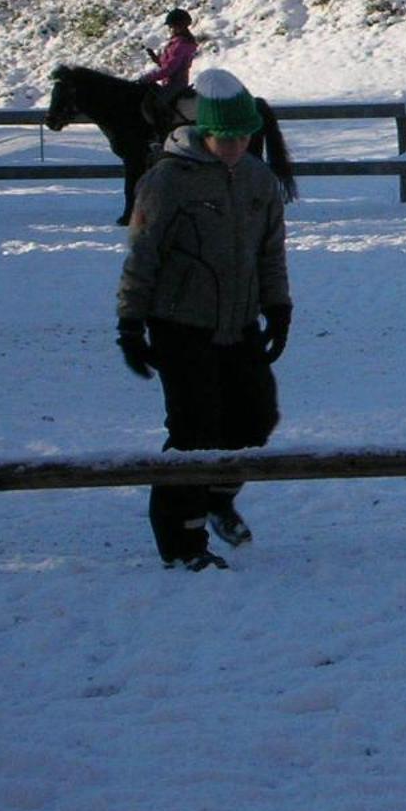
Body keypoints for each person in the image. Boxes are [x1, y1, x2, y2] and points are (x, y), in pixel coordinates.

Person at [116, 68, 292, 571]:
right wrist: (131, 323)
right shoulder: (168, 181)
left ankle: (217, 496)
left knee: (255, 417)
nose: (237, 146)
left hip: (239, 326)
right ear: (205, 131)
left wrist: (278, 308)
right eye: (227, 137)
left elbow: (270, 252)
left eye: (245, 136)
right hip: (180, 325)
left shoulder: (259, 180)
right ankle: (182, 542)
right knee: (195, 433)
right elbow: (142, 255)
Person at [140, 9, 199, 120]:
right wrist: (157, 59)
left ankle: (164, 130)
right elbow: (168, 64)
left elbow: (169, 69)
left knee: (157, 104)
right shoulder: (176, 42)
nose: (171, 29)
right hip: (169, 83)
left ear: (180, 26)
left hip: (176, 84)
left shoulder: (181, 44)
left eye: (172, 26)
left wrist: (148, 78)